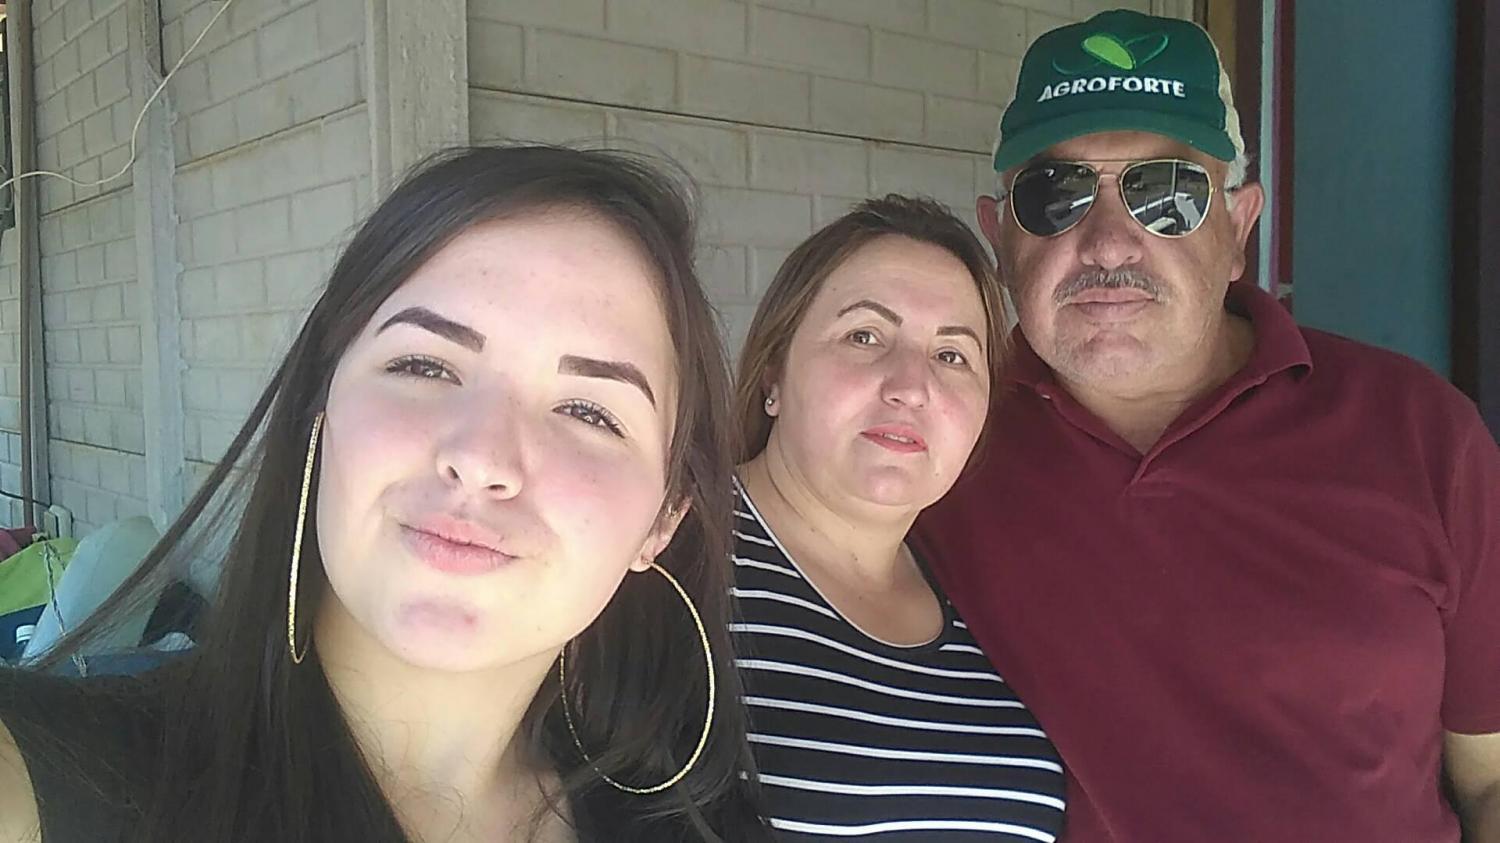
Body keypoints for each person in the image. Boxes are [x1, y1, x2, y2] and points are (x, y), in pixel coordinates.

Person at [0, 146, 769, 842]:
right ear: (321, 406)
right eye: (424, 366)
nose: (481, 457)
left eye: (588, 411)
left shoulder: (692, 823)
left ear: (663, 519)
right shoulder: (61, 778)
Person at [914, 9, 1500, 842]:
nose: (1108, 242)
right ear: (1000, 234)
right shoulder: (935, 444)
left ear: (1239, 228)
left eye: (1167, 194)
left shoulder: (1423, 434)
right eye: (1056, 195)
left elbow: (1490, 777)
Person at [730, 195, 1067, 840]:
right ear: (774, 372)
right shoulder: (657, 552)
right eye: (864, 336)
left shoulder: (983, 589)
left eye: (952, 355)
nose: (911, 387)